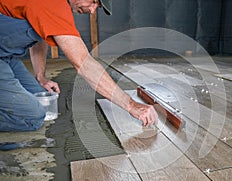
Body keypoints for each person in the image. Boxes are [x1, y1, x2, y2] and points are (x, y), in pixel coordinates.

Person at [0, 0, 158, 131]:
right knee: (32, 117)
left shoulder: (53, 7)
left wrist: (40, 76)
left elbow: (40, 34)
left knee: (41, 95)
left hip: (6, 56)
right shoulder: (54, 5)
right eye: (94, 2)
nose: (92, 10)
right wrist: (131, 106)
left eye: (97, 7)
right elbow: (84, 64)